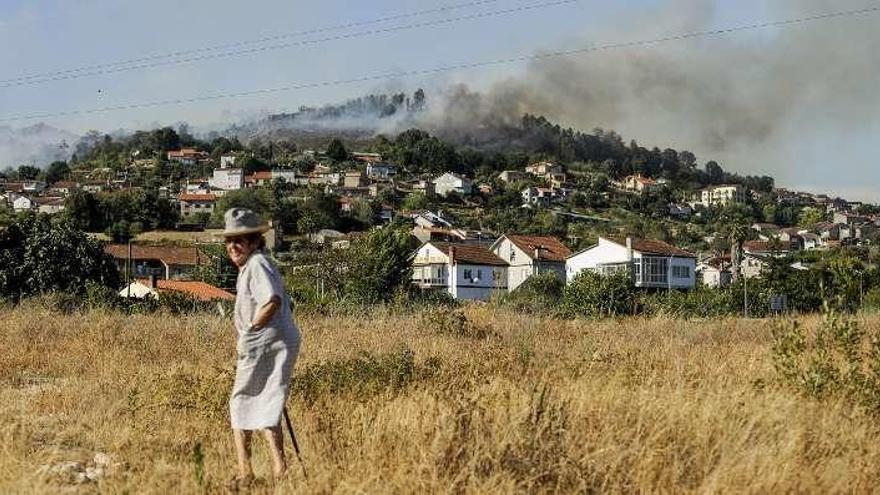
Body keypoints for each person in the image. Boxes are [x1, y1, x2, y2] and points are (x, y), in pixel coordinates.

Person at [222, 208, 301, 486]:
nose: (234, 246)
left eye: (240, 240)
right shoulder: (254, 264)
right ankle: (281, 470)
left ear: (255, 241)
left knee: (240, 402)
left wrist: (252, 331)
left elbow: (272, 301)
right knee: (267, 403)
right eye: (230, 240)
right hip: (275, 339)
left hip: (264, 339)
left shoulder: (256, 264)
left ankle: (246, 473)